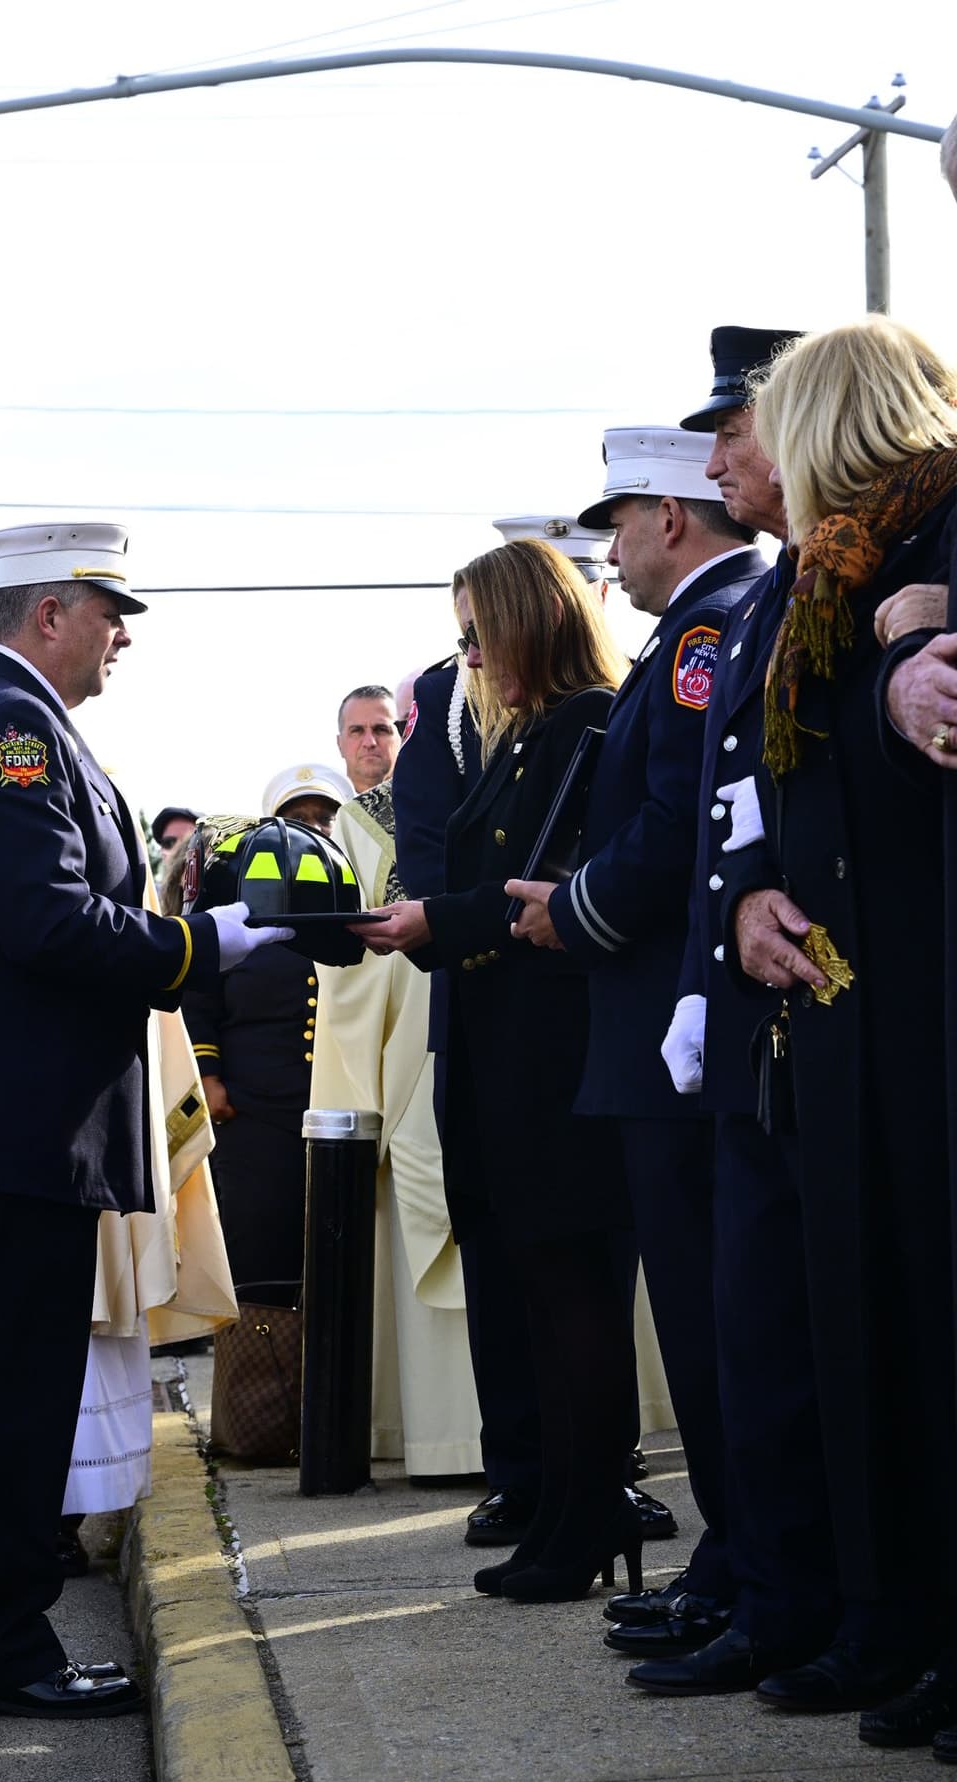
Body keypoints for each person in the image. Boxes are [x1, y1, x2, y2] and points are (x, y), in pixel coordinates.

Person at [0, 522, 290, 1720]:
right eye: (109, 611)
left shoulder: (17, 721)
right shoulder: (6, 728)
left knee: (4, 1396)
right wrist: (198, 944)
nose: (122, 635)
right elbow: (47, 919)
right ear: (48, 611)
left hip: (11, 1125)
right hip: (13, 1128)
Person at [723, 319, 957, 1716]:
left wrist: (910, 657)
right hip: (839, 1009)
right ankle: (888, 1616)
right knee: (862, 1327)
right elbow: (774, 782)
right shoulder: (829, 571)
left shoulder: (934, 540)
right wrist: (749, 895)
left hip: (922, 998)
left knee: (933, 1327)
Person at [615, 327, 846, 1695]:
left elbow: (698, 821)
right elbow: (735, 816)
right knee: (754, 1329)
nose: (714, 464)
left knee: (791, 1330)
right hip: (751, 1006)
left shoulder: (776, 600)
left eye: (731, 433)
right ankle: (769, 1581)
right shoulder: (770, 603)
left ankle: (806, 1592)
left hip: (820, 1005)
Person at [508, 429, 767, 1626]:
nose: (608, 555)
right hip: (661, 1028)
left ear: (668, 518)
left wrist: (574, 908)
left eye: (617, 526)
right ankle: (731, 1556)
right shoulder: (690, 636)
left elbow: (678, 827)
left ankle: (743, 1563)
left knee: (718, 1321)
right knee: (707, 1316)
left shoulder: (708, 633)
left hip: (678, 1029)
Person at [358, 539, 643, 1601]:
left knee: (572, 1296)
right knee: (535, 1294)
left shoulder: (590, 724)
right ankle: (563, 1511)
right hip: (498, 1052)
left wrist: (439, 918)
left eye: (482, 635)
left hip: (555, 1057)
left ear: (535, 622)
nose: (469, 659)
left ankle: (589, 1515)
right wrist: (426, 919)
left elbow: (548, 885)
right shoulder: (520, 738)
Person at [309, 754, 483, 1476]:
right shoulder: (365, 820)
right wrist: (359, 1090)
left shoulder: (532, 768)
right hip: (412, 1047)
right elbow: (350, 965)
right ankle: (449, 1438)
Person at [183, 763, 351, 1312]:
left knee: (337, 1260)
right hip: (253, 1112)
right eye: (298, 818)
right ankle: (259, 1365)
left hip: (336, 1110)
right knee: (259, 1256)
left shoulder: (353, 896)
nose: (313, 828)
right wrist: (209, 1076)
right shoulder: (240, 899)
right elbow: (200, 997)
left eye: (324, 817)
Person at [336, 685, 400, 794]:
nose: (369, 743)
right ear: (339, 744)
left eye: (381, 729)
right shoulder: (320, 803)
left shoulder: (427, 800)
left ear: (402, 738)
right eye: (357, 731)